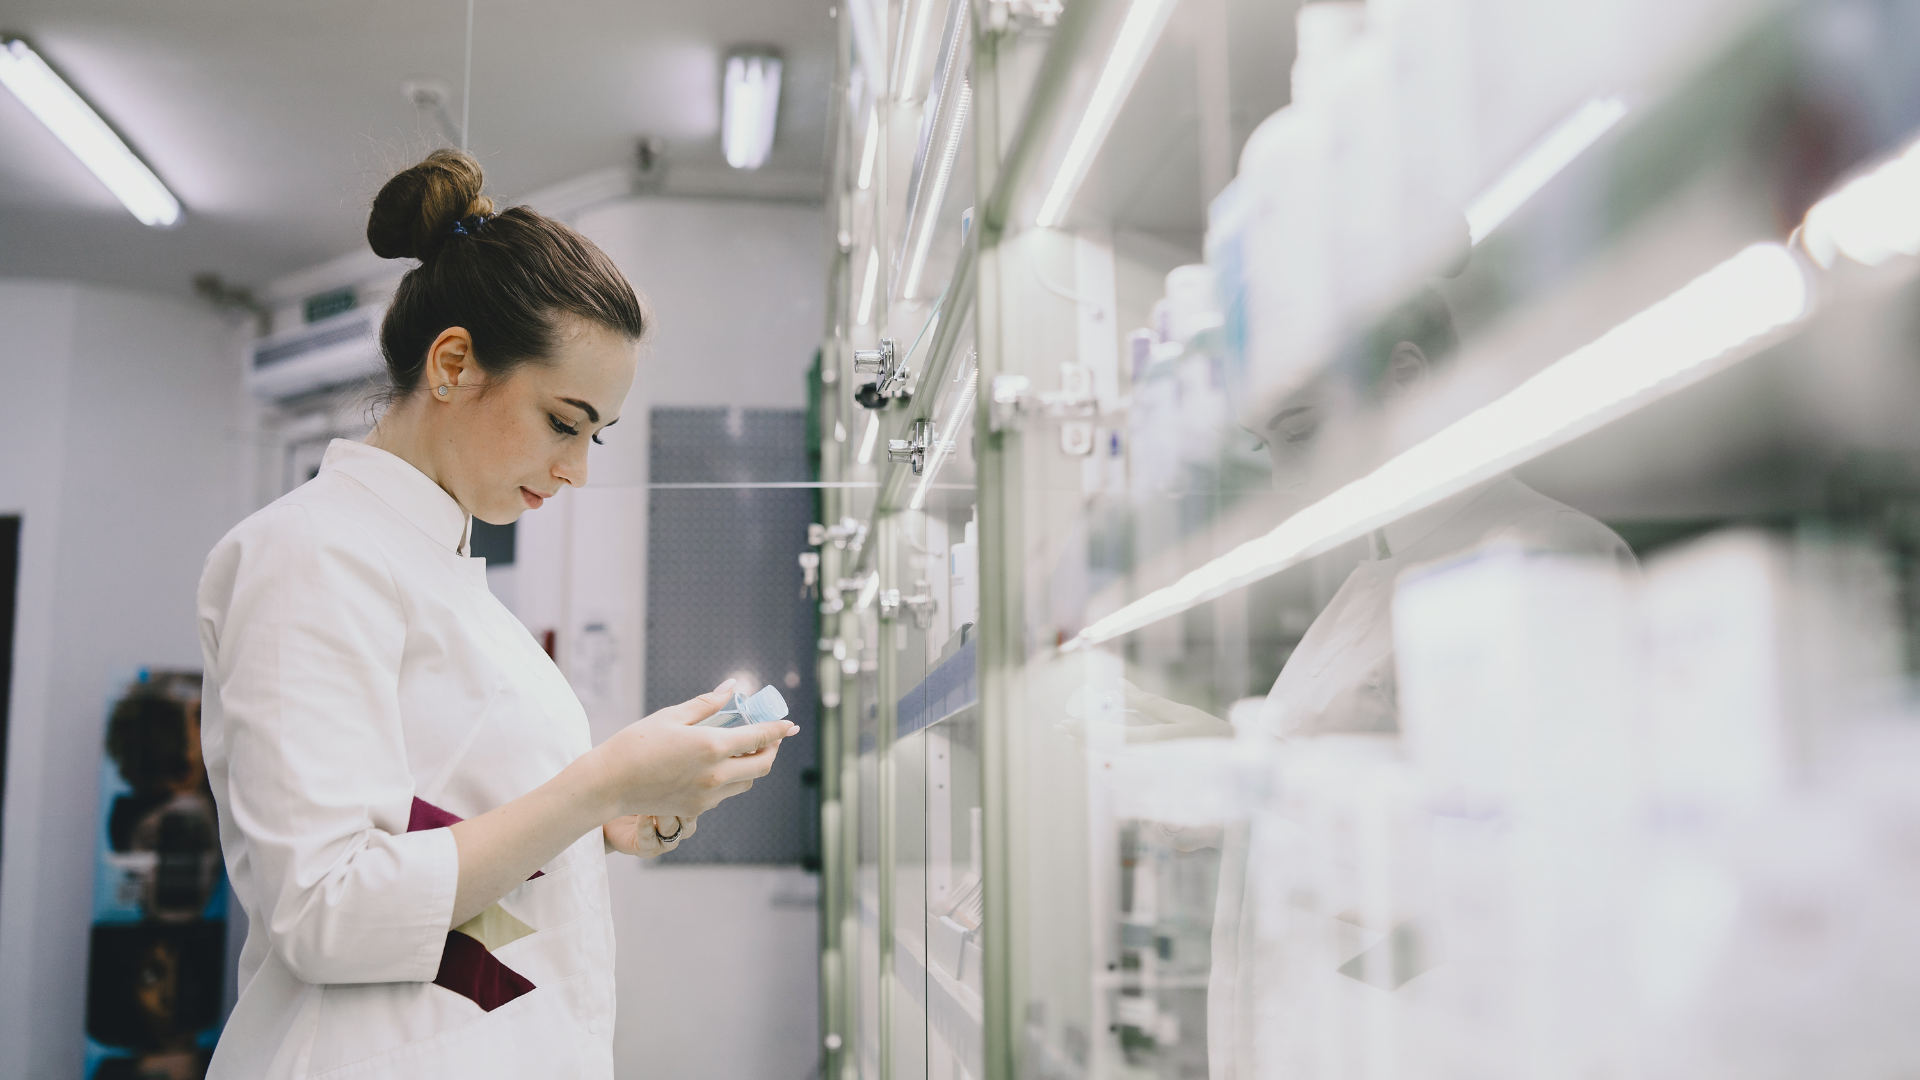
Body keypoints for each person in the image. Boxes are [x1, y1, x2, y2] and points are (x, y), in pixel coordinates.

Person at [196, 149, 798, 1079]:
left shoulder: (442, 573)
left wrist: (615, 813)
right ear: (452, 364)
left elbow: (435, 822)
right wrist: (594, 786)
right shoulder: (308, 555)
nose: (578, 469)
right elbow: (326, 909)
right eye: (563, 421)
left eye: (595, 434)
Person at [1125, 286, 1635, 1079]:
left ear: (1404, 376)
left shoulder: (1544, 558)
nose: (1288, 478)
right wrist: (1228, 777)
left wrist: (1261, 798)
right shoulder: (1365, 586)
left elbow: (1541, 882)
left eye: (1299, 430)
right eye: (1267, 444)